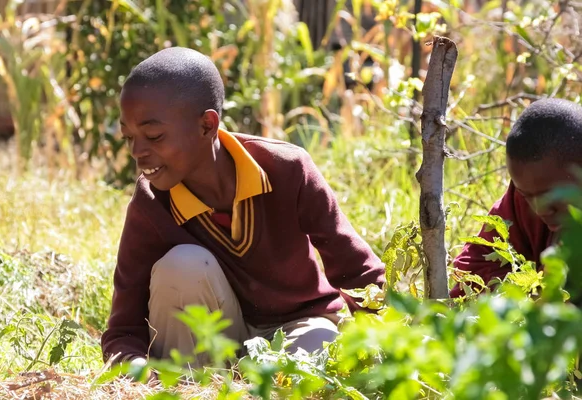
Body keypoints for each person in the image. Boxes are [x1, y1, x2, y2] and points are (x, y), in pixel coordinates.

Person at [100, 47, 386, 370]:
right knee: (182, 267)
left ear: (207, 125)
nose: (138, 152)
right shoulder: (150, 204)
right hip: (212, 343)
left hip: (299, 327)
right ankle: (189, 387)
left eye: (153, 136)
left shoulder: (287, 170)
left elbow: (358, 273)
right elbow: (123, 329)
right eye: (129, 138)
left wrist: (389, 345)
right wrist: (136, 371)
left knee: (321, 350)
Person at [450, 98, 582, 297]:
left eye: (551, 196)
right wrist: (523, 295)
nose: (539, 210)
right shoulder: (522, 198)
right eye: (528, 195)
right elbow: (472, 269)